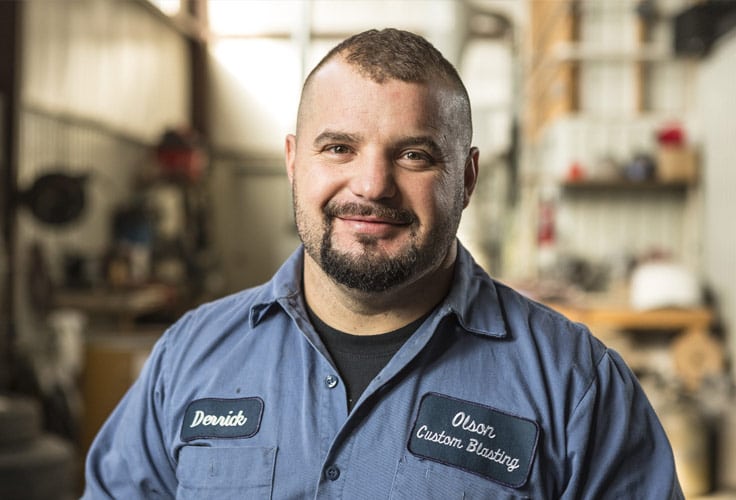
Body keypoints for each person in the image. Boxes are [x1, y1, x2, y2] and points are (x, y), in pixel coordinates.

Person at [83, 28, 683, 499]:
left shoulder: (576, 386)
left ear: (467, 178)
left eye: (414, 155)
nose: (372, 185)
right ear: (294, 161)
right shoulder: (189, 358)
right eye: (339, 148)